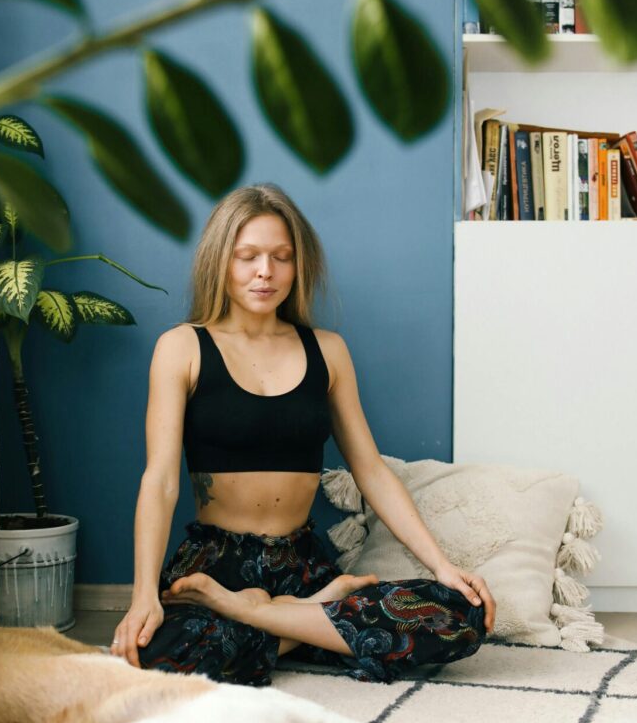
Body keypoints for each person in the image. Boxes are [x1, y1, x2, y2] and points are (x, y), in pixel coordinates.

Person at [111, 184, 495, 685]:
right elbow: (160, 481)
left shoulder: (328, 350)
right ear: (219, 261)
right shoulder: (182, 347)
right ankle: (308, 621)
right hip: (217, 564)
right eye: (247, 256)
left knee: (458, 616)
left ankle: (259, 615)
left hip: (305, 566)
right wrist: (144, 597)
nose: (265, 271)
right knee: (161, 653)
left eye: (281, 257)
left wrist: (443, 566)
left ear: (299, 265)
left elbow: (371, 471)